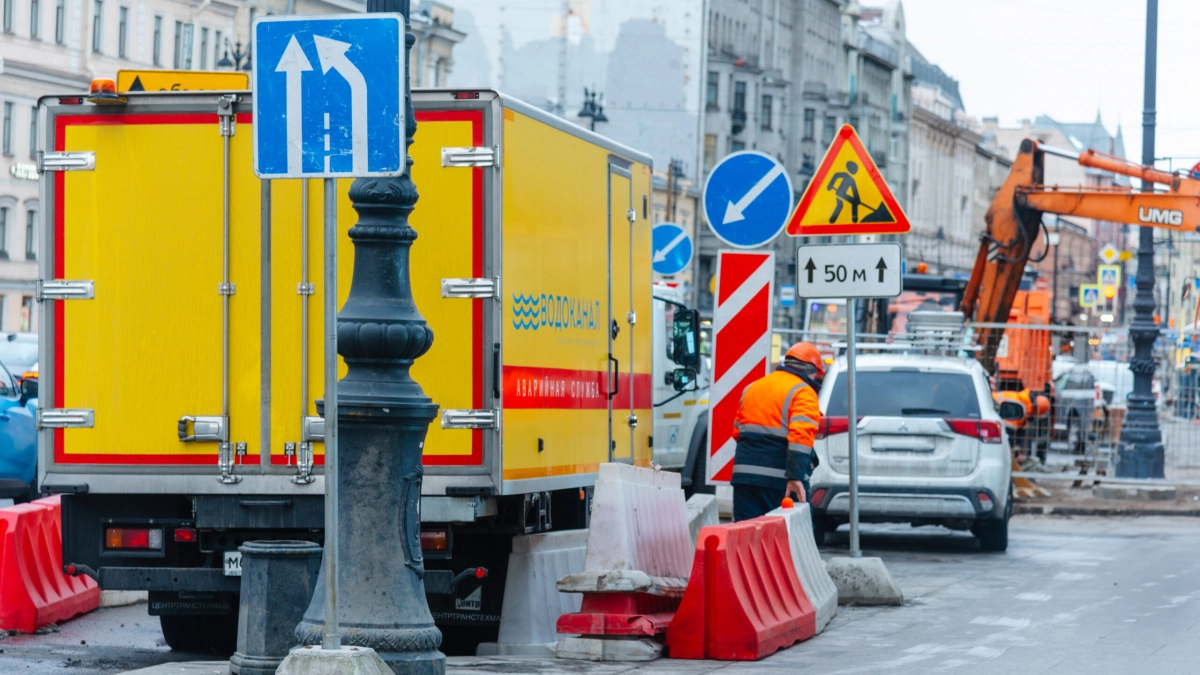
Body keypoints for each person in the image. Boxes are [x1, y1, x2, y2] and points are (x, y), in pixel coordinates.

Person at [730, 342, 825, 521]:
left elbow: (737, 431)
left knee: (746, 536)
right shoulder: (804, 392)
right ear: (813, 371)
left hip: (745, 477)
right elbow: (800, 439)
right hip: (782, 481)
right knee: (789, 537)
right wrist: (795, 477)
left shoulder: (753, 387)